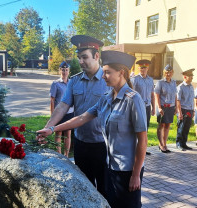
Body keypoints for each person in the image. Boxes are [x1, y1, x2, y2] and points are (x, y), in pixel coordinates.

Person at [37, 50, 147, 208]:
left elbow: (142, 140)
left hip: (127, 169)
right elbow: (81, 118)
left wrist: (136, 174)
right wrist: (52, 129)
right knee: (110, 203)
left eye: (107, 72)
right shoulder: (106, 98)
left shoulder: (133, 99)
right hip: (111, 166)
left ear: (121, 73)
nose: (103, 76)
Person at [40, 35, 110, 196]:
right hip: (81, 145)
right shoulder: (74, 81)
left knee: (105, 190)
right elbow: (63, 106)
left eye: (84, 57)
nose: (80, 61)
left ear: (96, 56)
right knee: (84, 189)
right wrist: (47, 128)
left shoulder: (108, 80)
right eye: (79, 57)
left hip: (103, 146)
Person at [49, 61, 74, 157]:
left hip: (69, 112)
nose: (64, 72)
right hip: (58, 113)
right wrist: (52, 115)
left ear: (69, 71)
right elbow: (52, 100)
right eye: (63, 70)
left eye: (66, 70)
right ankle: (59, 155)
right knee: (58, 134)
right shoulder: (55, 84)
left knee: (68, 134)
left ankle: (66, 155)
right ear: (60, 70)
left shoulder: (71, 83)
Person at [131, 59, 155, 155]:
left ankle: (143, 148)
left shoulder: (150, 80)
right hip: (138, 107)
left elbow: (152, 95)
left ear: (147, 68)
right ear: (138, 68)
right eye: (141, 68)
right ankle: (135, 148)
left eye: (144, 68)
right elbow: (131, 94)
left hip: (147, 106)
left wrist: (153, 107)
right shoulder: (135, 79)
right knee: (137, 128)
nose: (142, 70)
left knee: (145, 128)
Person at [154, 65, 177, 153]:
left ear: (172, 73)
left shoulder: (174, 82)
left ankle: (165, 143)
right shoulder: (160, 83)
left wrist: (175, 107)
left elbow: (175, 95)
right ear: (164, 73)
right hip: (163, 107)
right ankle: (161, 144)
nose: (168, 74)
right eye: (167, 72)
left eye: (170, 72)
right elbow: (157, 96)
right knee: (161, 125)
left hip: (171, 107)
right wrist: (159, 107)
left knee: (167, 125)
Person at [175, 68, 195, 151]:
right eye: (190, 76)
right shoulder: (180, 87)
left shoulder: (191, 87)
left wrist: (193, 110)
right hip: (183, 109)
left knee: (187, 127)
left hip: (189, 109)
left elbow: (192, 99)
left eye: (192, 76)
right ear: (184, 77)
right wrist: (179, 112)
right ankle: (179, 144)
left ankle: (184, 143)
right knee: (181, 127)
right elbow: (178, 101)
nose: (191, 78)